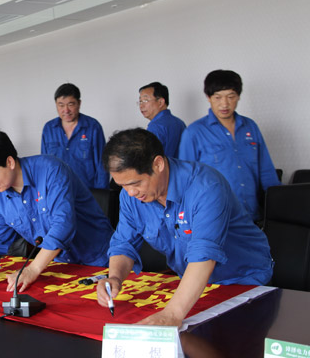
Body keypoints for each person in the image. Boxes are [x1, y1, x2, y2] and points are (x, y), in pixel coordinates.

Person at [97, 128, 273, 326]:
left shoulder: (206, 187)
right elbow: (124, 244)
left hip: (242, 282)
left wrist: (172, 314)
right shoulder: (132, 197)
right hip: (194, 287)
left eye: (135, 183)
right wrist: (115, 278)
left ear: (158, 164)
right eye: (123, 186)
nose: (130, 193)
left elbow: (204, 255)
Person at [0, 128, 114, 292]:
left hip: (99, 260)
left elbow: (63, 225)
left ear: (10, 162)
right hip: (62, 267)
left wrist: (32, 269)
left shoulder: (51, 170)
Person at [178, 70, 280, 221]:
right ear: (208, 97)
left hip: (252, 215)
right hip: (216, 217)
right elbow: (185, 181)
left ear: (238, 96)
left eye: (231, 97)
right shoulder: (194, 133)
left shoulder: (250, 126)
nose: (224, 104)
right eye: (218, 97)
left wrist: (279, 208)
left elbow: (266, 172)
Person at [41, 83, 109, 189]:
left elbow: (102, 164)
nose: (66, 110)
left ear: (79, 103)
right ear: (56, 105)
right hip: (58, 190)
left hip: (88, 191)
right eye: (61, 105)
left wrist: (101, 194)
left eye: (70, 104)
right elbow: (44, 164)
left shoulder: (93, 127)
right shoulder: (49, 129)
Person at [138, 82, 186, 158]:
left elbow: (150, 159)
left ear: (160, 102)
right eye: (140, 101)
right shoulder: (180, 123)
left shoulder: (155, 126)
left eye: (145, 100)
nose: (141, 105)